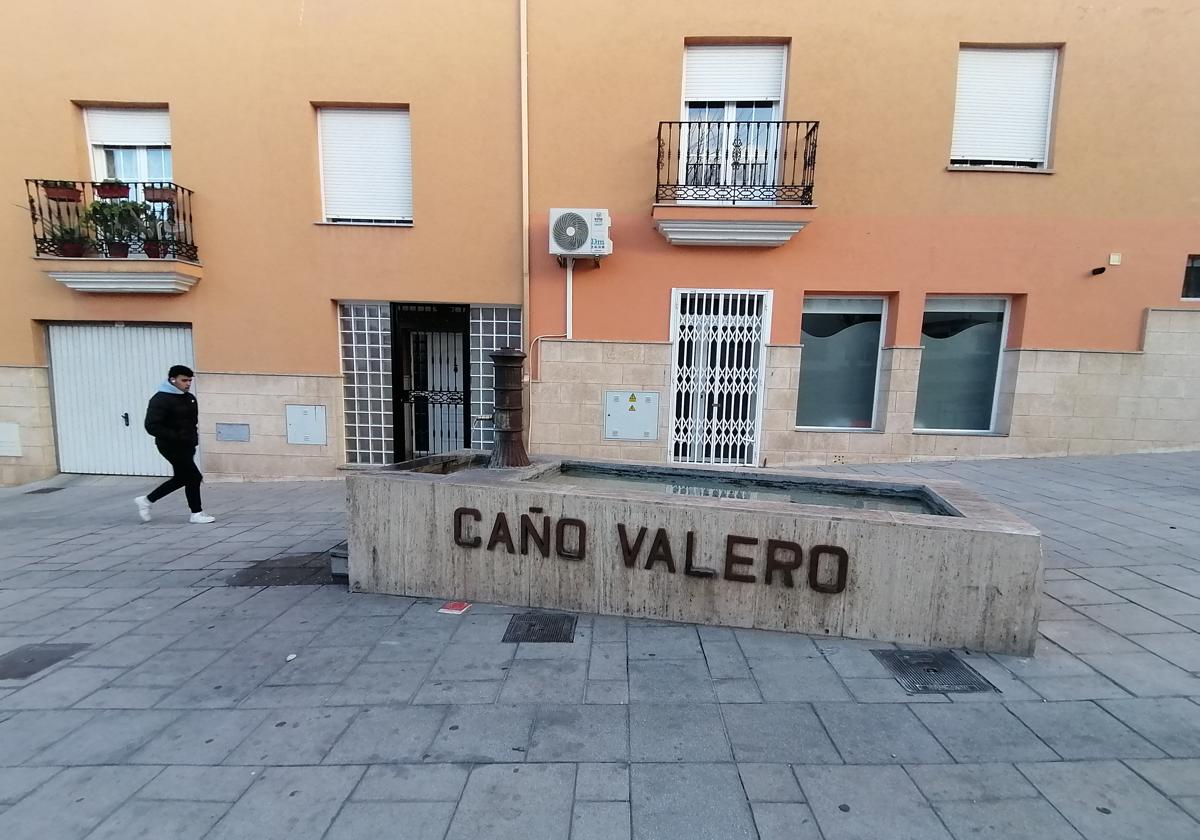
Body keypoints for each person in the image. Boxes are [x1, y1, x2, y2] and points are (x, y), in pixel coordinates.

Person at [134, 364, 215, 524]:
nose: (188, 384)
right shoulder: (160, 399)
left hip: (187, 445)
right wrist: (176, 436)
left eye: (190, 380)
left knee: (181, 478)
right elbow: (151, 425)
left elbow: (192, 422)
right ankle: (196, 513)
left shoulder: (189, 398)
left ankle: (147, 500)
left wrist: (192, 439)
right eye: (184, 380)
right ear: (173, 380)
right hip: (170, 446)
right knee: (194, 476)